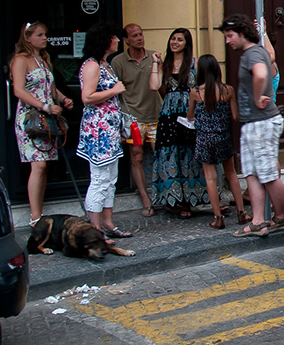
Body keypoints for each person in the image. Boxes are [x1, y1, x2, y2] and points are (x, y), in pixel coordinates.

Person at [221, 15, 284, 237]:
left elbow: (260, 74)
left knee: (267, 173)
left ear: (243, 34)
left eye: (230, 36)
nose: (227, 41)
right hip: (253, 123)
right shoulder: (253, 53)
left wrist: (259, 96)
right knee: (251, 173)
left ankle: (280, 218)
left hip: (262, 121)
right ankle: (258, 221)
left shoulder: (253, 53)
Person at [11, 21, 74, 225]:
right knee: (38, 165)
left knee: (44, 166)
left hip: (46, 119)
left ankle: (38, 210)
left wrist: (63, 98)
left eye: (45, 34)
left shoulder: (44, 59)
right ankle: (35, 216)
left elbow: (51, 88)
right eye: (39, 35)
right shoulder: (21, 59)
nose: (44, 38)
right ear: (28, 38)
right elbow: (19, 91)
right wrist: (44, 106)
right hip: (31, 117)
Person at [76, 22, 131, 239]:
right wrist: (113, 90)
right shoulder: (92, 66)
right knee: (99, 178)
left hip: (109, 130)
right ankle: (95, 227)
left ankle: (107, 222)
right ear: (105, 41)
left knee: (111, 177)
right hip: (98, 131)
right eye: (114, 37)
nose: (118, 40)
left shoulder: (104, 64)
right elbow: (87, 97)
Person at [187, 55, 246, 229]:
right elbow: (235, 116)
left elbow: (190, 116)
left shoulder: (196, 92)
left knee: (211, 178)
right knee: (231, 173)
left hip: (204, 138)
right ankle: (242, 213)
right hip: (224, 137)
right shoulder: (228, 90)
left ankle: (218, 217)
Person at [110, 24, 160, 217]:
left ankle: (164, 195)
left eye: (141, 34)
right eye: (135, 35)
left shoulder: (154, 57)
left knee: (160, 156)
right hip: (133, 119)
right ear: (126, 40)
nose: (140, 38)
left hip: (154, 115)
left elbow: (161, 84)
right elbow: (116, 91)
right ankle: (145, 198)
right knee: (137, 156)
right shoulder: (119, 61)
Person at [152, 27, 203, 217]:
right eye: (173, 39)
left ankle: (190, 200)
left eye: (179, 39)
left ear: (186, 43)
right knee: (169, 155)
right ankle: (174, 198)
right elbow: (158, 88)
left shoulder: (194, 63)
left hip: (189, 113)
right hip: (168, 115)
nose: (174, 42)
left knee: (189, 154)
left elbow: (201, 87)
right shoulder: (164, 64)